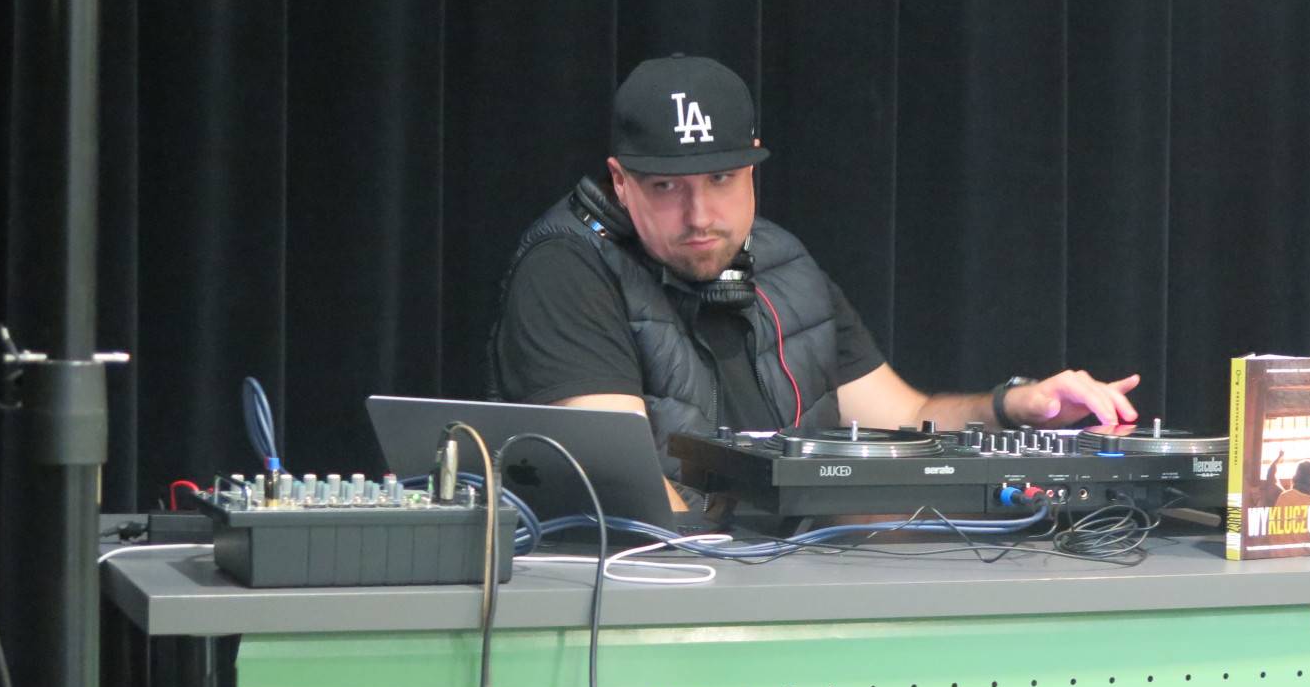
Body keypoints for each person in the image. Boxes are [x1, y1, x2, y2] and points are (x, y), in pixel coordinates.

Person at [487, 54, 1140, 499]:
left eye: (722, 179)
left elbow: (908, 417)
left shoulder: (781, 259)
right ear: (620, 183)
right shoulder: (567, 268)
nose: (701, 214)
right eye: (666, 186)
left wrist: (1013, 406)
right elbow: (625, 488)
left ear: (752, 170)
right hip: (665, 604)